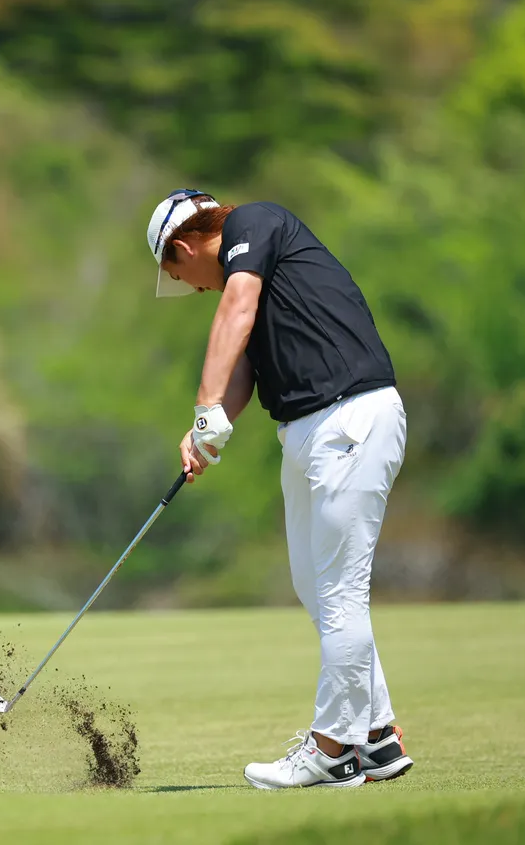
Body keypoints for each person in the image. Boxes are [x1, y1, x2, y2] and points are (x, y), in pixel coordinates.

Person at [146, 189, 414, 789]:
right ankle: (376, 736)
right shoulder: (258, 282)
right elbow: (245, 365)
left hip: (349, 418)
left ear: (184, 248)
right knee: (315, 587)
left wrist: (205, 406)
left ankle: (331, 750)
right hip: (308, 430)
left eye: (181, 276)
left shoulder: (255, 222)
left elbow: (235, 308)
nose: (194, 288)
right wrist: (208, 429)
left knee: (340, 593)